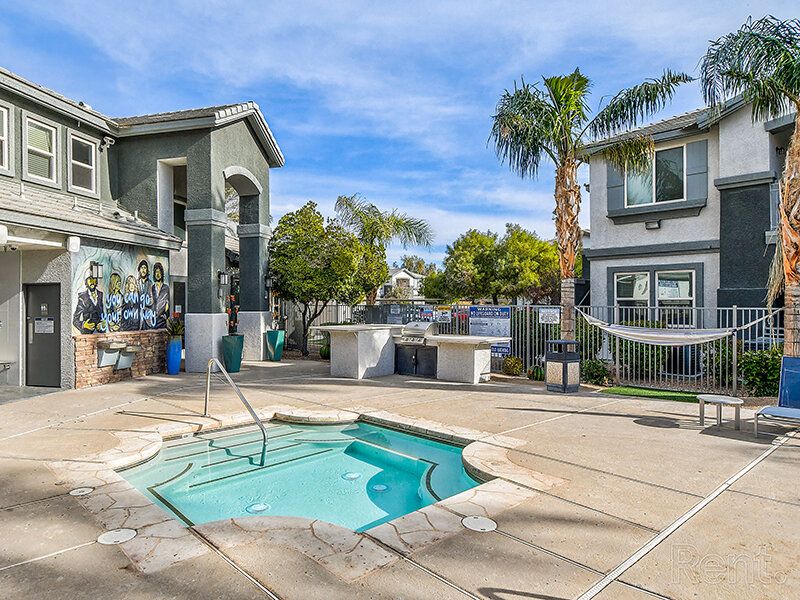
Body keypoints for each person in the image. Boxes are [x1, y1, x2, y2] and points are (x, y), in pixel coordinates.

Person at [73, 268, 104, 334]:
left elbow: (104, 314)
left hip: (100, 333)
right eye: (90, 279)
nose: (92, 282)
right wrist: (84, 325)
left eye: (94, 279)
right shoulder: (82, 297)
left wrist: (103, 323)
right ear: (86, 282)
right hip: (87, 333)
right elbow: (75, 320)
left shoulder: (100, 295)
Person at [136, 259, 155, 329]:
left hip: (147, 315)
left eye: (145, 268)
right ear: (139, 270)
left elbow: (152, 299)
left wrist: (145, 303)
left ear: (147, 270)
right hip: (138, 315)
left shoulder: (150, 283)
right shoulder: (136, 283)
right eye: (142, 268)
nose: (143, 270)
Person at [152, 262, 170, 329]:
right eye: (156, 272)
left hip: (162, 320)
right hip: (153, 319)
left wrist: (166, 315)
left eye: (159, 272)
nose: (158, 274)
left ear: (162, 274)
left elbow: (168, 303)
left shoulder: (166, 288)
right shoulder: (152, 288)